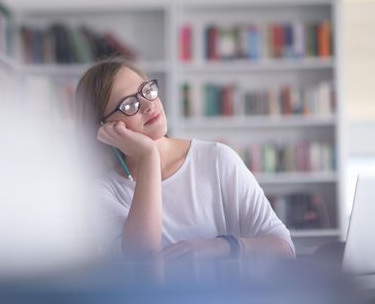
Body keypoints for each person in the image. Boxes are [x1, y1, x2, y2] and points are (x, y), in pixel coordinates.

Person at [75, 58, 295, 260]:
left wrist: (223, 246)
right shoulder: (102, 190)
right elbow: (142, 254)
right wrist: (149, 155)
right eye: (129, 105)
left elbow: (285, 249)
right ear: (104, 128)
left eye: (146, 90)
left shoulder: (217, 159)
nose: (148, 105)